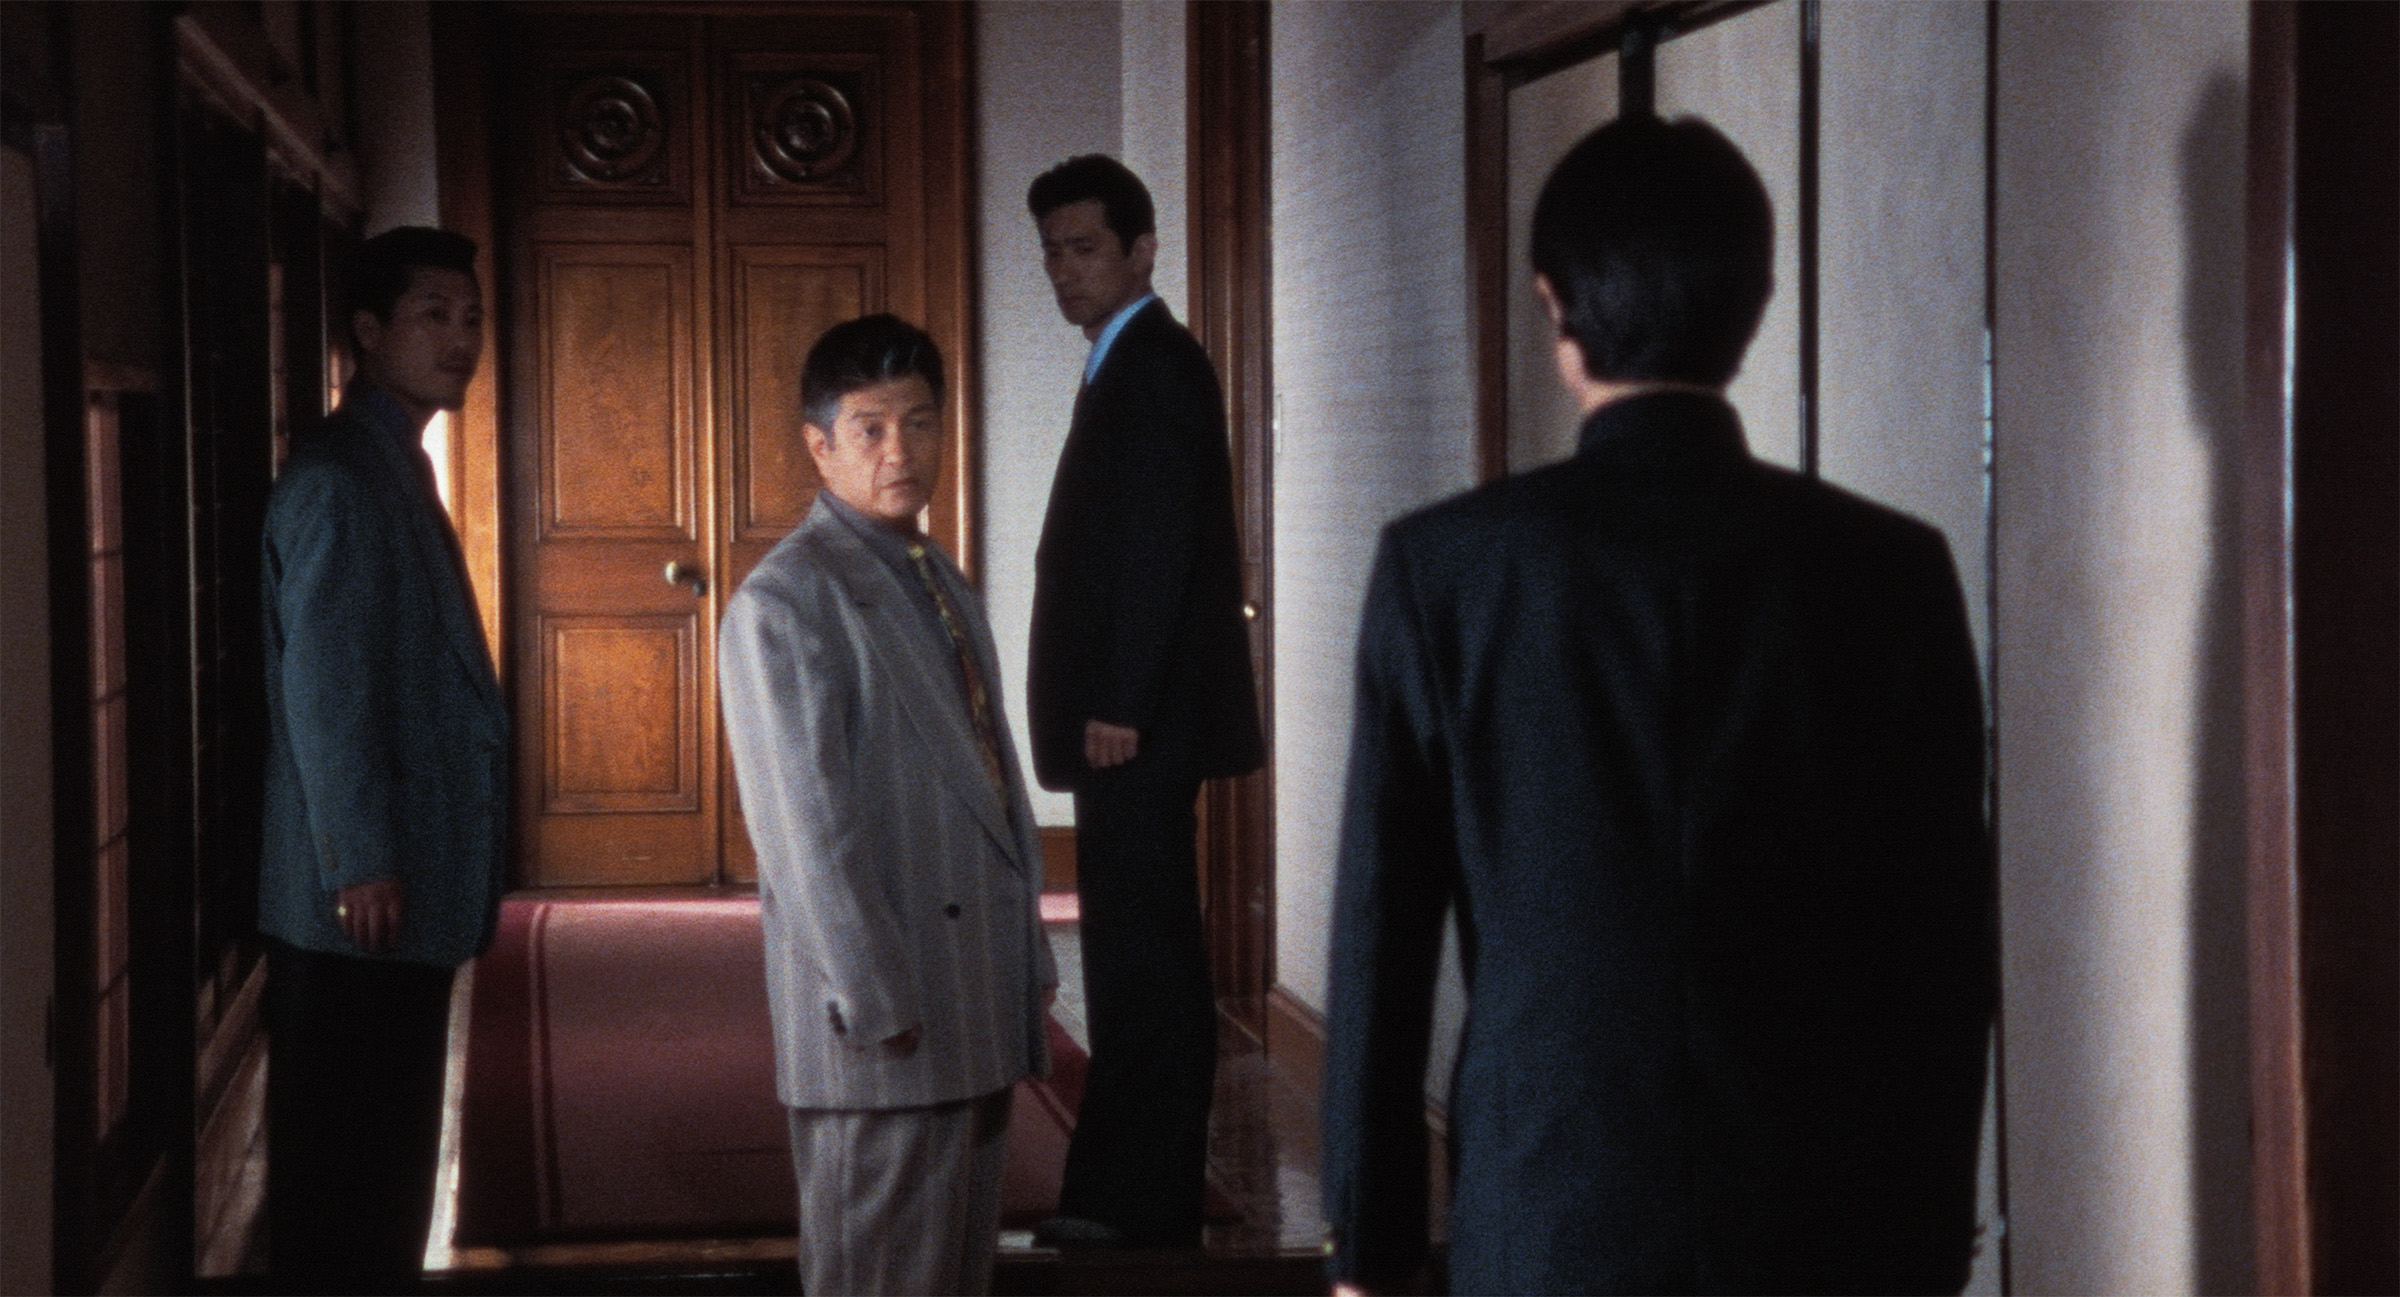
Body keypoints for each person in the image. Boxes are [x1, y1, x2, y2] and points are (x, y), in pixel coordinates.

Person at [1320, 116, 1999, 1295]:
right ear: (1757, 298)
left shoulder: (1448, 569)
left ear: (1554, 305)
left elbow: (1381, 939)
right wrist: (1928, 1240)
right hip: (1818, 1221)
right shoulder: (1890, 570)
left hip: (1547, 1207)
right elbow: (1940, 955)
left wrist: (1369, 1251)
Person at [719, 314, 1057, 1296]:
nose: (899, 451)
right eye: (869, 428)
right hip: (885, 1012)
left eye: (920, 421)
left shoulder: (936, 571)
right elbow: (802, 833)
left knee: (953, 1275)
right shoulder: (786, 601)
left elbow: (992, 783)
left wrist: (1027, 956)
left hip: (970, 991)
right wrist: (874, 996)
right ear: (818, 444)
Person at [258, 226, 508, 1293]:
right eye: (432, 314)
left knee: (384, 1171)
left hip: (391, 890)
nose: (460, 339)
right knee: (349, 1182)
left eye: (471, 317)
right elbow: (327, 688)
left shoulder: (388, 460)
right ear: (367, 330)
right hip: (357, 903)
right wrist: (361, 857)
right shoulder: (341, 479)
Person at [1023, 154, 1264, 1250]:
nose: (1064, 271)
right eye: (1052, 252)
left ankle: (1138, 1199)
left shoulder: (1157, 364)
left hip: (1137, 724)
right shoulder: (1124, 359)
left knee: (1147, 964)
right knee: (1132, 958)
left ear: (1143, 250)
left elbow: (1159, 547)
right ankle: (1122, 1191)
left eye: (1084, 248)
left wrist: (1118, 699)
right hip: (1130, 721)